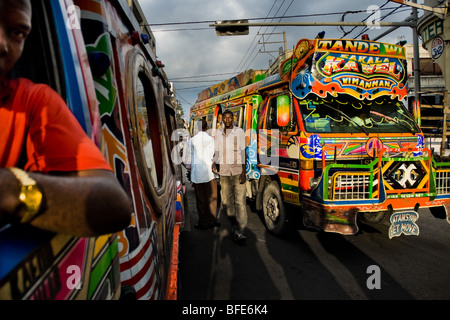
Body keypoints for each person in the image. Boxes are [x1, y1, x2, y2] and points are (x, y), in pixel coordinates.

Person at [0, 0, 131, 236]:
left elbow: (114, 204)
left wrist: (14, 190)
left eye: (17, 33)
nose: (2, 44)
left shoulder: (31, 100)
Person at [212, 110, 247, 244]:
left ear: (233, 119)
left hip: (238, 170)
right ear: (222, 120)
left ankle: (241, 230)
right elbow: (216, 150)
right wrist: (213, 162)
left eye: (229, 118)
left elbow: (243, 152)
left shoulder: (239, 132)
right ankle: (234, 226)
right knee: (227, 202)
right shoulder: (219, 133)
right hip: (225, 172)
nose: (227, 120)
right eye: (224, 118)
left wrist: (244, 172)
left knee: (240, 202)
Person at [186, 119, 219, 229]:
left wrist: (189, 168)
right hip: (210, 174)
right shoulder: (211, 139)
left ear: (197, 128)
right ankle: (213, 220)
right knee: (212, 198)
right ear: (207, 128)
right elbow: (215, 155)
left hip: (197, 175)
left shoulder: (192, 140)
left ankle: (203, 222)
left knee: (201, 199)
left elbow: (188, 158)